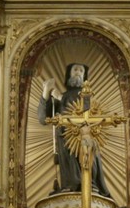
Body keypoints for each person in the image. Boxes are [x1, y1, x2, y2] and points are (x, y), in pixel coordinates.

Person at [44, 63, 111, 196]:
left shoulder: (86, 96)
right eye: (75, 69)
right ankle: (70, 184)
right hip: (65, 136)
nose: (78, 72)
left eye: (81, 70)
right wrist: (46, 94)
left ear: (84, 75)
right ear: (69, 73)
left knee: (87, 158)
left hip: (85, 135)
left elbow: (84, 111)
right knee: (69, 160)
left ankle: (90, 184)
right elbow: (45, 117)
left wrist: (60, 98)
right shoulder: (61, 96)